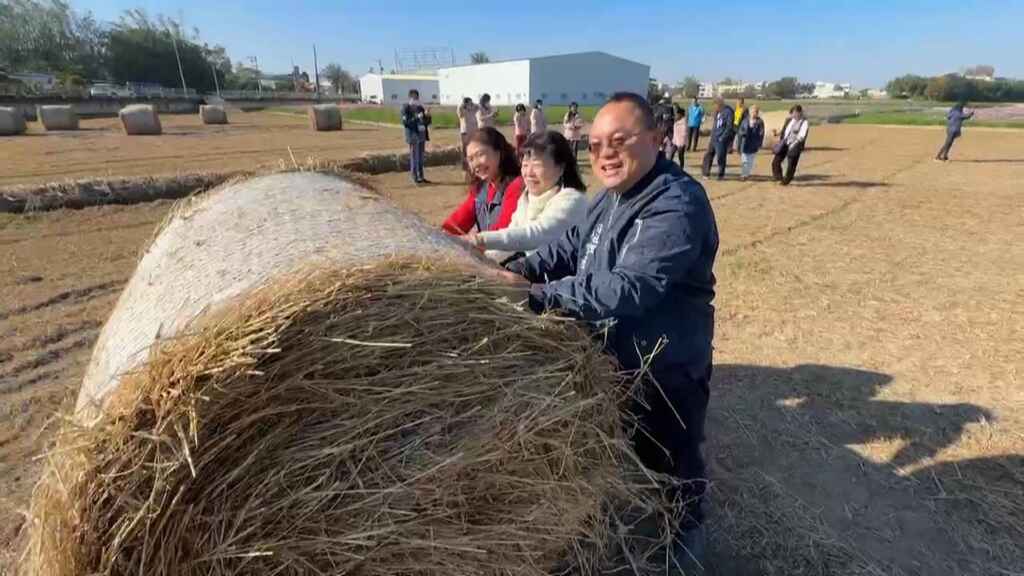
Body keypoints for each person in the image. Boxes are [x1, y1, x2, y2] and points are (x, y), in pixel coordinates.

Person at [504, 92, 719, 569]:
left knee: (672, 456)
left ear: (657, 139)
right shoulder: (608, 200)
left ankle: (686, 535)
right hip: (614, 356)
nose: (604, 152)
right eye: (596, 142)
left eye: (619, 140)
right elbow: (567, 249)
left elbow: (630, 286)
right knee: (625, 444)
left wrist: (536, 297)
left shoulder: (676, 203)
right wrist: (517, 268)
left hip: (665, 364)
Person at [462, 131, 587, 264]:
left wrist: (479, 240)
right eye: (525, 165)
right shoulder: (526, 198)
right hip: (536, 274)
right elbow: (511, 238)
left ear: (561, 167)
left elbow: (535, 234)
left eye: (537, 165)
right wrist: (480, 261)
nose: (528, 173)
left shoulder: (571, 200)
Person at [442, 127, 525, 235]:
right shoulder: (480, 191)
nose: (475, 164)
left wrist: (476, 242)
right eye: (471, 159)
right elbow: (455, 224)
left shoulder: (516, 186)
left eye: (480, 155)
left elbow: (503, 234)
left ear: (498, 153)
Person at [771, 104, 809, 185]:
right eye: (792, 113)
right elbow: (784, 131)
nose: (794, 115)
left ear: (800, 113)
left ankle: (786, 180)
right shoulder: (789, 120)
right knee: (776, 161)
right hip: (785, 143)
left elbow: (802, 136)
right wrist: (776, 134)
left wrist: (793, 144)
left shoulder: (804, 122)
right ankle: (778, 177)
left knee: (791, 163)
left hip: (796, 144)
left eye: (795, 113)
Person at [400, 89, 432, 184]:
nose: (415, 99)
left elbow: (427, 122)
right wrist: (417, 117)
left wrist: (428, 116)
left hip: (421, 135)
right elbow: (406, 123)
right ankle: (414, 177)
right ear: (410, 98)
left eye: (416, 97)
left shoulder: (420, 108)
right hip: (413, 136)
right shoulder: (406, 108)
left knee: (421, 157)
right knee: (414, 157)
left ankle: (421, 176)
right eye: (413, 97)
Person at [701, 97, 735, 180]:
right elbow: (715, 124)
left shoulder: (728, 112)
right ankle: (705, 173)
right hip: (713, 137)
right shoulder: (717, 112)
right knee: (708, 155)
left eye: (716, 105)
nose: (714, 107)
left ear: (720, 104)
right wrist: (711, 135)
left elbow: (729, 127)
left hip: (721, 139)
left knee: (721, 157)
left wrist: (723, 137)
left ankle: (720, 175)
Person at [737, 105, 765, 181]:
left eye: (755, 112)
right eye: (752, 111)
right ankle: (743, 175)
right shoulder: (745, 120)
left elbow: (761, 133)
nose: (753, 113)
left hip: (753, 144)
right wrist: (743, 133)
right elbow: (740, 130)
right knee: (744, 160)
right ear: (749, 112)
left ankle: (747, 173)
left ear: (757, 113)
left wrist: (759, 143)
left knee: (750, 161)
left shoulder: (760, 122)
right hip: (745, 143)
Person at [458, 97, 479, 174]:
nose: (471, 103)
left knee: (472, 148)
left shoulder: (473, 108)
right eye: (469, 102)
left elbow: (478, 106)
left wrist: (472, 104)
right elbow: (460, 113)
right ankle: (465, 166)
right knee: (465, 149)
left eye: (471, 102)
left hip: (473, 130)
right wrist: (463, 105)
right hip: (465, 131)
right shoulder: (462, 109)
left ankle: (472, 165)